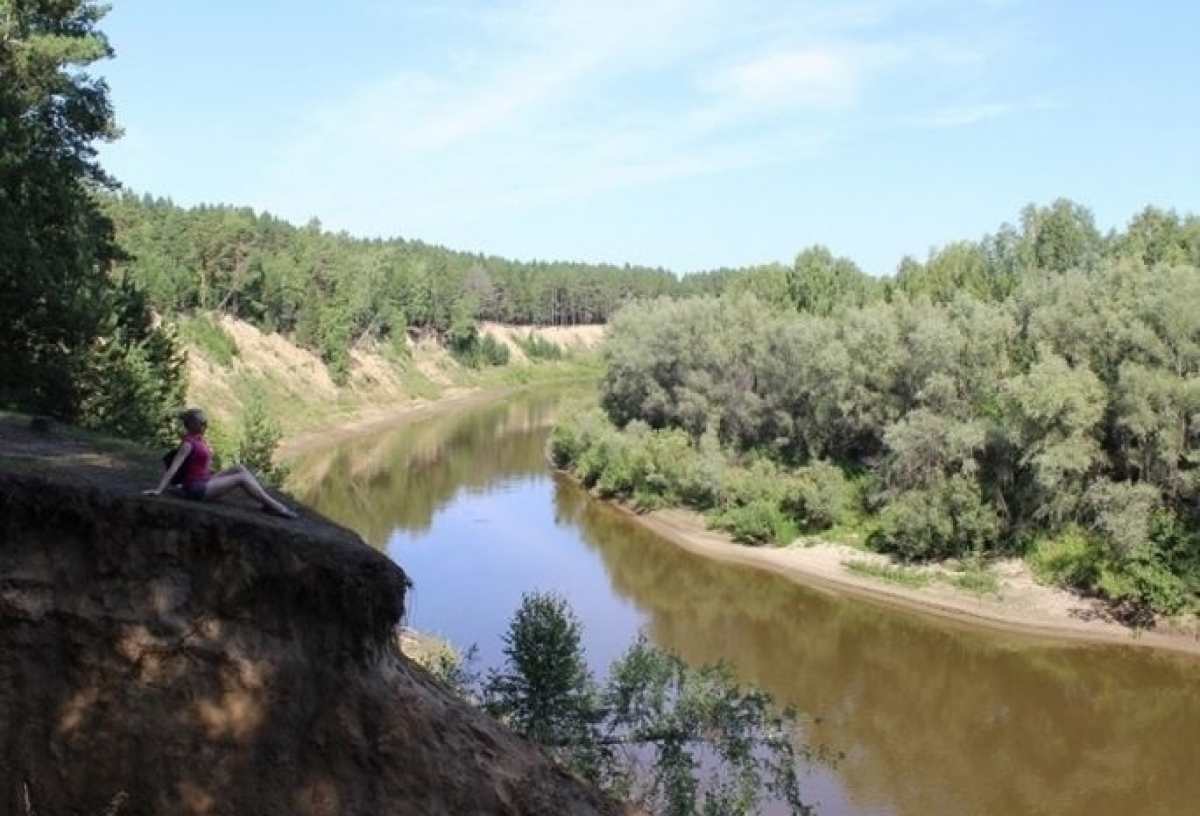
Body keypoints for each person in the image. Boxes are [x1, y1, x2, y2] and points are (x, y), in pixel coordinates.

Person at [144, 407, 299, 519]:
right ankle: (274, 506)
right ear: (191, 424)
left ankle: (266, 502)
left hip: (204, 481)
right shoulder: (188, 444)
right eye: (202, 422)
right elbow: (174, 468)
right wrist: (158, 490)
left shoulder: (200, 441)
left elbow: (201, 465)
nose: (205, 425)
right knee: (241, 478)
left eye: (206, 421)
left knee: (239, 468)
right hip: (196, 489)